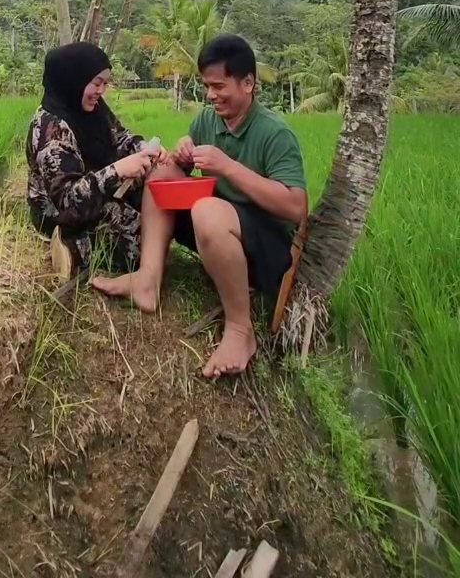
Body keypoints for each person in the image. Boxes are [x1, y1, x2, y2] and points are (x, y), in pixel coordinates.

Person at [92, 34, 308, 377]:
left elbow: (296, 207)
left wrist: (228, 167)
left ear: (248, 83)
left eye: (219, 86)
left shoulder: (274, 133)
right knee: (161, 171)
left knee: (206, 210)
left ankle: (241, 329)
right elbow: (189, 172)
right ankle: (148, 279)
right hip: (216, 230)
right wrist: (182, 156)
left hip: (266, 250)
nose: (210, 95)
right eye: (207, 85)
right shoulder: (208, 121)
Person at [26, 42, 158, 277]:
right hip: (61, 213)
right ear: (73, 80)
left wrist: (144, 148)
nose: (101, 91)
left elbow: (120, 138)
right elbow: (66, 200)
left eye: (105, 84)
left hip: (95, 191)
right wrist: (117, 171)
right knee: (142, 246)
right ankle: (72, 249)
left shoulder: (92, 107)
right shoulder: (51, 128)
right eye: (96, 83)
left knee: (156, 199)